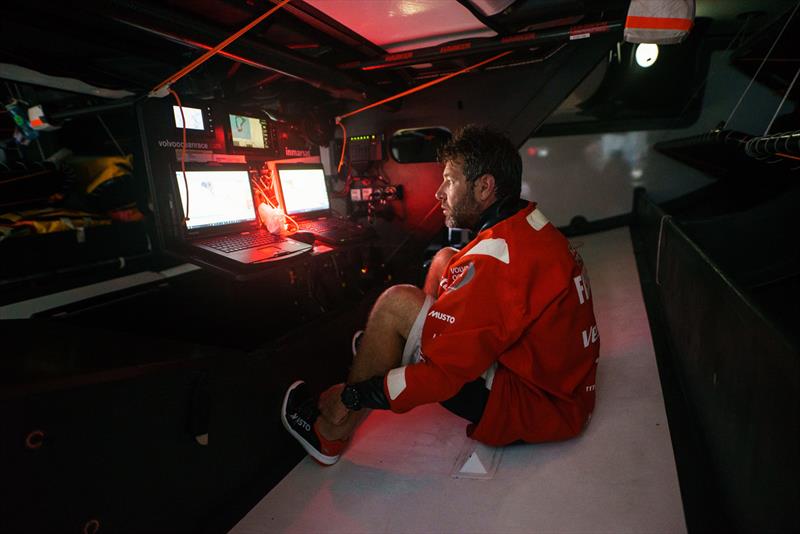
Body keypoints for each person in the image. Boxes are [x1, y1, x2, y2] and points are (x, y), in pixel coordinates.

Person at [281, 125, 599, 465]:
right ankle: (393, 346)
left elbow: (441, 380)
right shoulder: (527, 221)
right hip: (564, 391)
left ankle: (330, 432)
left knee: (395, 302)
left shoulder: (494, 261)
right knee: (445, 259)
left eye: (449, 180)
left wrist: (353, 395)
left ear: (484, 186)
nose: (439, 193)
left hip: (533, 407)